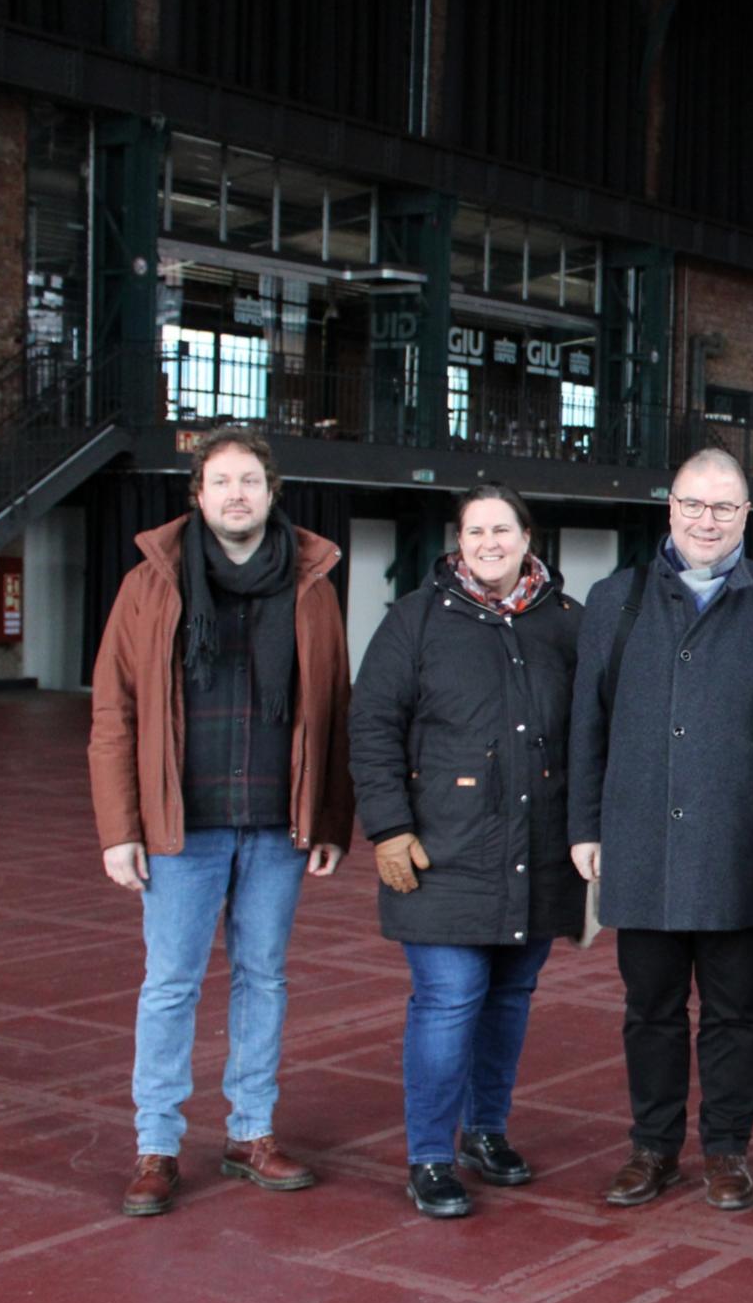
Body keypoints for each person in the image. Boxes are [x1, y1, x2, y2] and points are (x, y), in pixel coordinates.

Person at [88, 426, 352, 1217]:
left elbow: (335, 709)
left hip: (275, 822)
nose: (237, 494)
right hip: (182, 822)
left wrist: (330, 818)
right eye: (221, 482)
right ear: (197, 496)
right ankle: (157, 1146)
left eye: (250, 481)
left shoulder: (311, 585)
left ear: (273, 494)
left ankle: (251, 1133)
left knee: (263, 978)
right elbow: (115, 711)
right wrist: (118, 827)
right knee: (169, 984)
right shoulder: (149, 585)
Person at [569, 449, 753, 1211]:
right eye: (694, 505)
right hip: (638, 837)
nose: (707, 521)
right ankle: (652, 1149)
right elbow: (588, 720)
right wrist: (585, 823)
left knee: (735, 1009)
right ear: (668, 507)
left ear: (746, 516)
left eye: (725, 508)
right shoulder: (614, 599)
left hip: (737, 841)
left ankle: (726, 1150)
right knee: (649, 1007)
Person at [349, 484, 585, 1219]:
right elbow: (372, 726)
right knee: (449, 1000)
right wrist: (388, 827)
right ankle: (429, 1156)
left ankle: (486, 1130)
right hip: (441, 854)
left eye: (502, 529)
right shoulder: (415, 621)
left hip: (538, 854)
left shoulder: (569, 625)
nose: (489, 542)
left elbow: (595, 737)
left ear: (526, 537)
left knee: (510, 998)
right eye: (475, 530)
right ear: (459, 540)